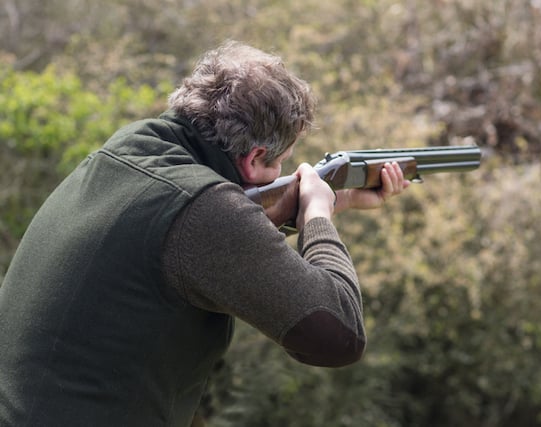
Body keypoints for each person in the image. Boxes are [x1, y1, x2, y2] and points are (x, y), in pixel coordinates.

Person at [0, 40, 409, 426]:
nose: (283, 173)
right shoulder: (202, 208)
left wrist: (326, 203)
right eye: (281, 163)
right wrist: (318, 216)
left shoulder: (132, 148)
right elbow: (340, 336)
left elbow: (192, 248)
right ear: (254, 159)